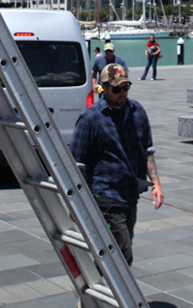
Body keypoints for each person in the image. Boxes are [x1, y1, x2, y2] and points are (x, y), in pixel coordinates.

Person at [70, 64, 163, 266]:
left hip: (130, 194)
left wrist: (156, 183)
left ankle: (98, 291)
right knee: (122, 251)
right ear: (103, 88)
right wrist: (75, 202)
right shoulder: (90, 119)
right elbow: (76, 164)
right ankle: (115, 294)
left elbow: (147, 150)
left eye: (126, 87)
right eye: (117, 89)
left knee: (117, 247)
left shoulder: (138, 112)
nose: (122, 93)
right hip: (104, 195)